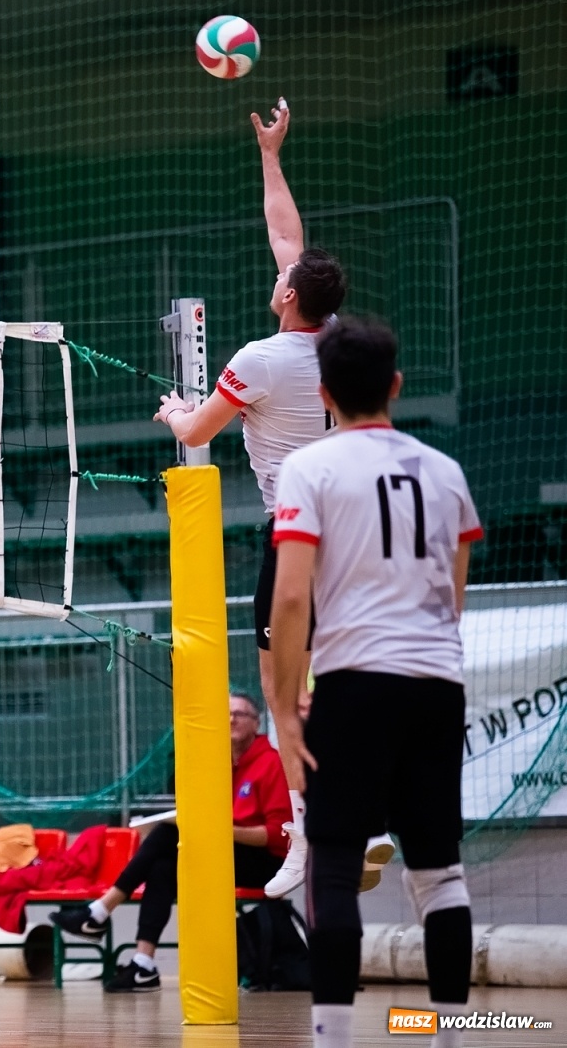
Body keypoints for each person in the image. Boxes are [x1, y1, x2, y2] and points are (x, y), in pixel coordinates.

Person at [150, 98, 383, 897]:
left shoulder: (260, 359)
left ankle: (307, 836)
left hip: (298, 543)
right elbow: (289, 237)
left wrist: (177, 412)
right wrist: (271, 153)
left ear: (289, 297)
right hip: (358, 536)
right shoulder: (341, 340)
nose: (277, 267)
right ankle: (355, 814)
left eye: (283, 274)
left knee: (285, 699)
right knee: (334, 687)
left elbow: (194, 435)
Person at [268, 318, 479, 1048]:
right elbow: (454, 597)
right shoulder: (445, 472)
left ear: (324, 394)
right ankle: (451, 1034)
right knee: (439, 872)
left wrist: (286, 706)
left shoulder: (310, 468)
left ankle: (333, 1039)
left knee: (333, 864)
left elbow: (291, 598)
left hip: (355, 682)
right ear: (395, 385)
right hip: (435, 684)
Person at [49, 691, 290, 991]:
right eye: (225, 713)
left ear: (256, 724)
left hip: (266, 863)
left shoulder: (271, 763)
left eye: (240, 714)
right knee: (163, 867)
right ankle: (143, 964)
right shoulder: (218, 764)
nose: (230, 719)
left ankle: (99, 911)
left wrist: (217, 830)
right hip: (225, 854)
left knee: (169, 832)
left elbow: (278, 835)